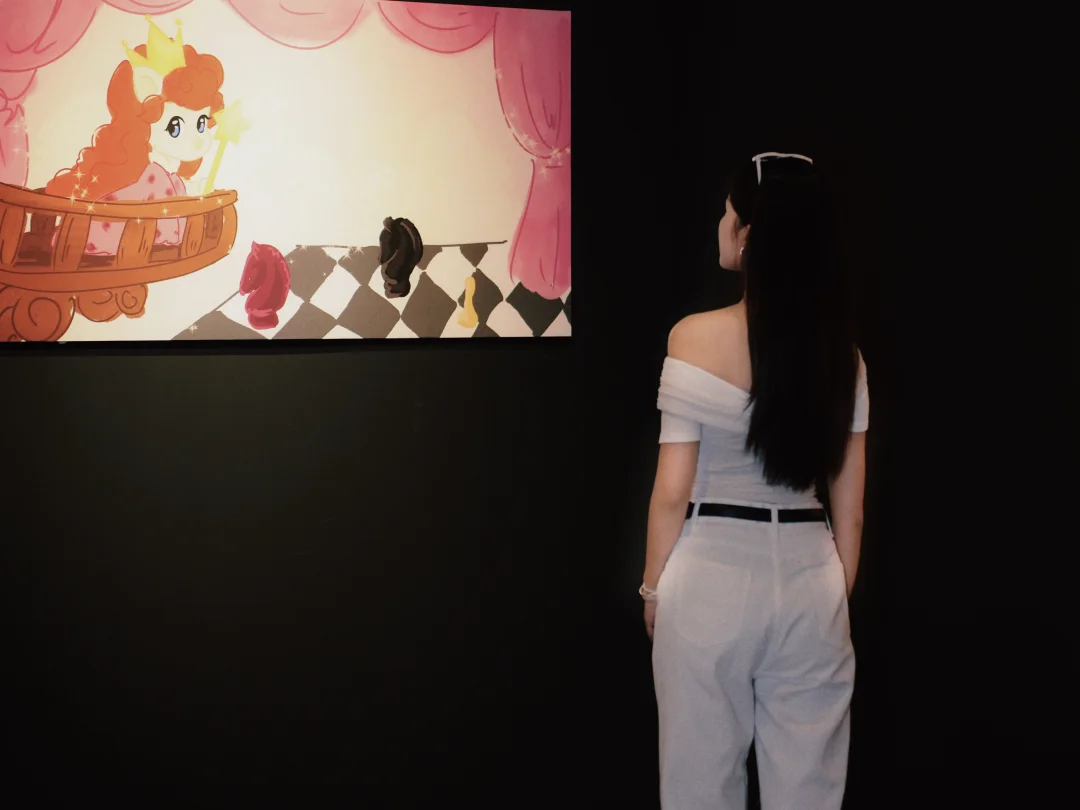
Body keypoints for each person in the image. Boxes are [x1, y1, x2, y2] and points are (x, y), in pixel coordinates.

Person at [640, 152, 869, 809]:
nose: (720, 223)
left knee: (700, 786)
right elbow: (850, 508)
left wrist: (653, 587)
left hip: (710, 572)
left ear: (747, 234)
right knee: (809, 791)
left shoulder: (692, 337)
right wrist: (835, 590)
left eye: (727, 212)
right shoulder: (844, 357)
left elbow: (672, 490)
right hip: (809, 574)